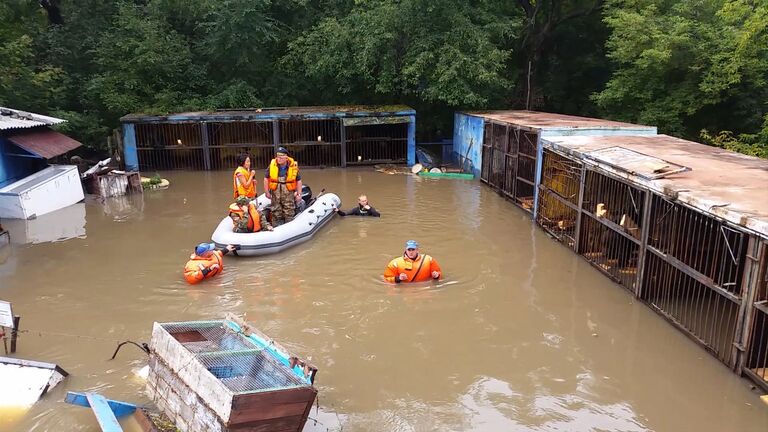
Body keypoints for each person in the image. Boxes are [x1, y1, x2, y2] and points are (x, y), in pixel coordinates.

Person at [264, 147, 302, 225]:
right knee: (275, 211)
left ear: (286, 158)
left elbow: (299, 180)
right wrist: (267, 192)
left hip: (288, 193)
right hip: (275, 193)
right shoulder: (272, 166)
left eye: (281, 157)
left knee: (289, 210)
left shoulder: (292, 167)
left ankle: (289, 227)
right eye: (278, 157)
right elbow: (266, 178)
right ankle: (276, 227)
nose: (279, 159)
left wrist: (299, 194)